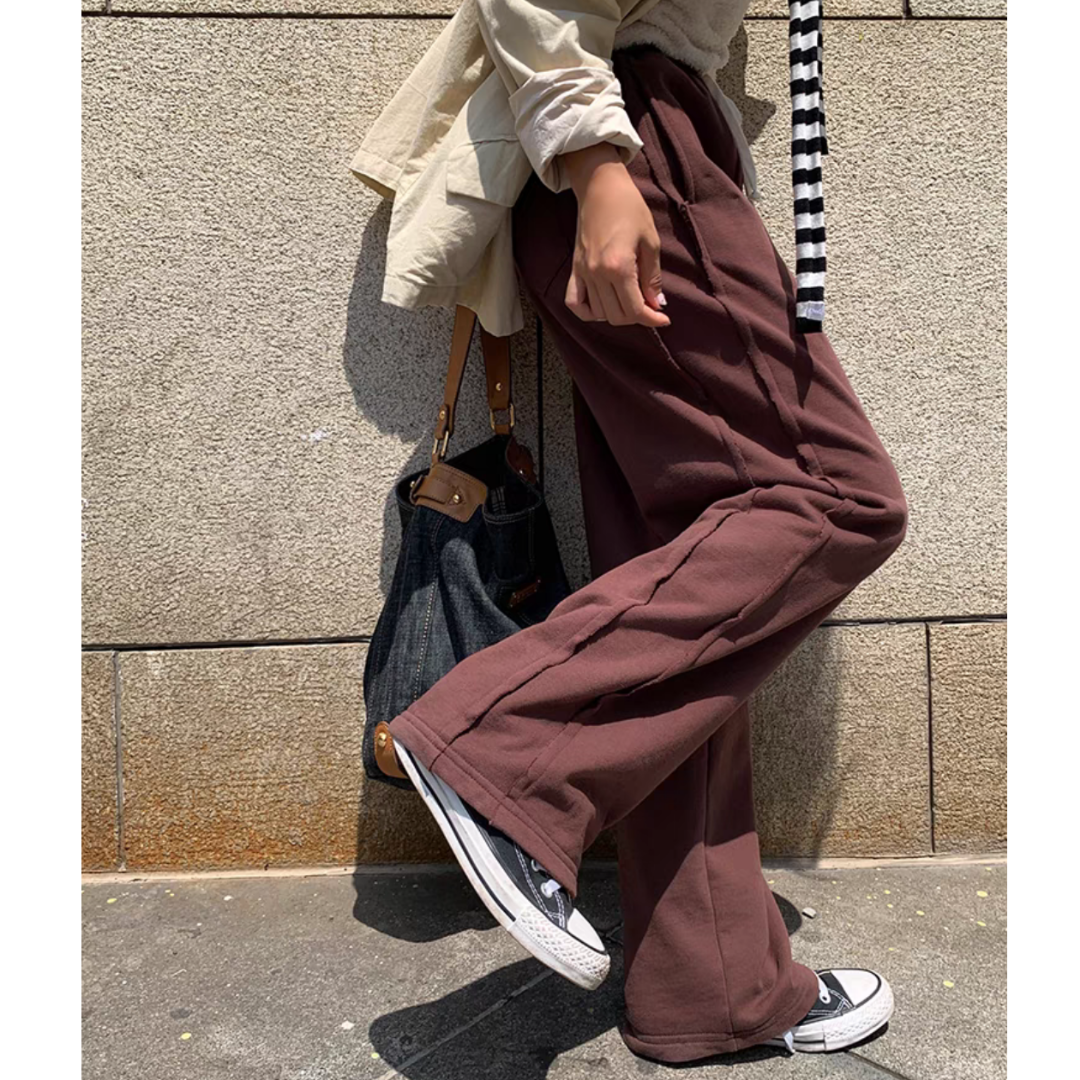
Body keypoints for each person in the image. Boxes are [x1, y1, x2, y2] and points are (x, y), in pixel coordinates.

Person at [350, 0, 905, 1063]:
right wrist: (601, 163)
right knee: (837, 494)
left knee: (691, 572)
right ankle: (497, 750)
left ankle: (712, 988)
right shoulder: (619, 144)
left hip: (626, 143)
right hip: (631, 144)